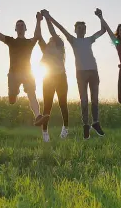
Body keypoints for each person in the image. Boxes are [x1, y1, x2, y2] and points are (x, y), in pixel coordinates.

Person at [42, 9, 107, 138]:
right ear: (75, 30)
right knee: (84, 100)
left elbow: (103, 30)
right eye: (79, 28)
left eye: (83, 28)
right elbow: (60, 28)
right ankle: (86, 125)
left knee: (95, 100)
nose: (81, 30)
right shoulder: (72, 40)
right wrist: (49, 17)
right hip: (81, 74)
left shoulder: (89, 39)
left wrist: (100, 17)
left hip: (93, 72)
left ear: (85, 30)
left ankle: (96, 122)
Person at [0, 8, 44, 126]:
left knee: (31, 93)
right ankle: (13, 93)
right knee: (12, 100)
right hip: (13, 74)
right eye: (18, 25)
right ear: (15, 29)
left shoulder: (29, 42)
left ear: (25, 29)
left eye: (22, 25)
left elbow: (37, 35)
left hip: (27, 73)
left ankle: (38, 116)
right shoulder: (11, 41)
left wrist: (38, 21)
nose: (20, 27)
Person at [39, 12, 71, 141]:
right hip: (48, 79)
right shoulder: (45, 49)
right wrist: (38, 21)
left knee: (63, 103)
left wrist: (47, 18)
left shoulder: (60, 47)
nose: (52, 39)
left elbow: (53, 32)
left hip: (61, 78)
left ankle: (66, 128)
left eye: (54, 38)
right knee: (47, 106)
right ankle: (45, 132)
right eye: (51, 39)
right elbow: (39, 36)